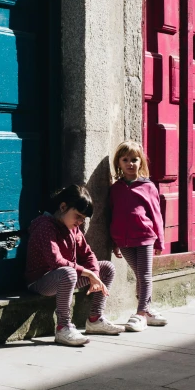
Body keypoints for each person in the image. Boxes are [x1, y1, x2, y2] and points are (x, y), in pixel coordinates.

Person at [26, 185, 125, 346]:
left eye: (83, 219)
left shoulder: (73, 229)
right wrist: (88, 274)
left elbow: (88, 254)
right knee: (69, 273)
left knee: (107, 268)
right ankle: (63, 327)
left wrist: (93, 272)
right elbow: (56, 261)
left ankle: (95, 319)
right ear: (63, 207)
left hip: (64, 277)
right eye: (77, 216)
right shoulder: (45, 226)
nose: (79, 222)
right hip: (41, 281)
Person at [110, 140, 169, 332]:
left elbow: (156, 215)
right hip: (124, 240)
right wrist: (115, 241)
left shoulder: (148, 186)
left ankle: (141, 313)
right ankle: (148, 310)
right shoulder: (115, 189)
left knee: (144, 276)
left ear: (141, 162)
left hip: (144, 237)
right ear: (118, 163)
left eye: (134, 159)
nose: (130, 163)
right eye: (125, 159)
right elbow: (112, 213)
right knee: (140, 275)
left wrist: (160, 240)